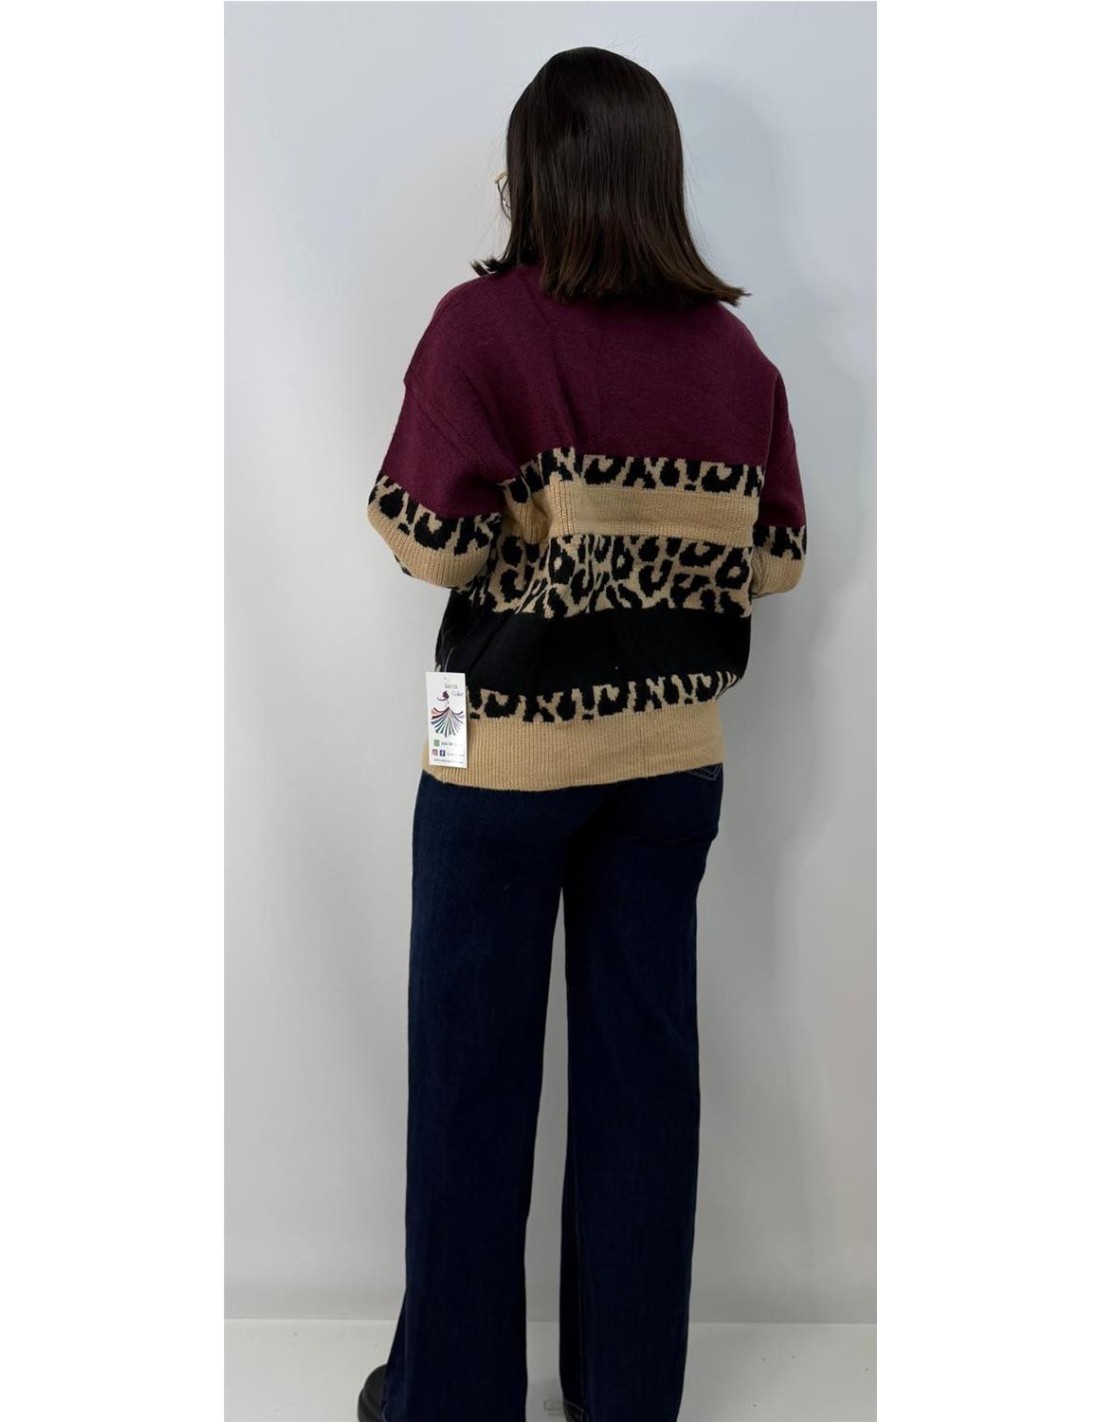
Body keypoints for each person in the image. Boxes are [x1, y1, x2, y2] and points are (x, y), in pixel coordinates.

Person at [358, 45, 807, 1422]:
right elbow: (777, 562)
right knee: (642, 1087)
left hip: (508, 761)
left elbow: (429, 541)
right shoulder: (737, 359)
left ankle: (452, 1400)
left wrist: (548, 528)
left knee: (472, 1086)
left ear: (537, 179)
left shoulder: (483, 329)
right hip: (671, 765)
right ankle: (625, 1397)